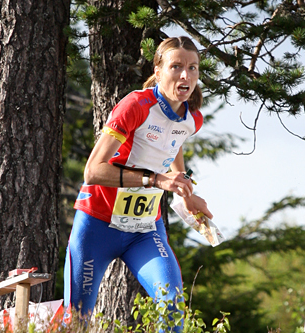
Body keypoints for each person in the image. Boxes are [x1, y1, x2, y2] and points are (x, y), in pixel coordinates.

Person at [63, 36, 213, 330]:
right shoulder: (135, 105)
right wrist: (155, 179)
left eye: (193, 68)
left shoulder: (193, 119)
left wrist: (186, 192)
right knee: (76, 321)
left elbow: (174, 141)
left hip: (144, 230)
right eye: (177, 66)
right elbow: (92, 171)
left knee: (171, 308)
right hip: (97, 225)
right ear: (158, 72)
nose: (186, 75)